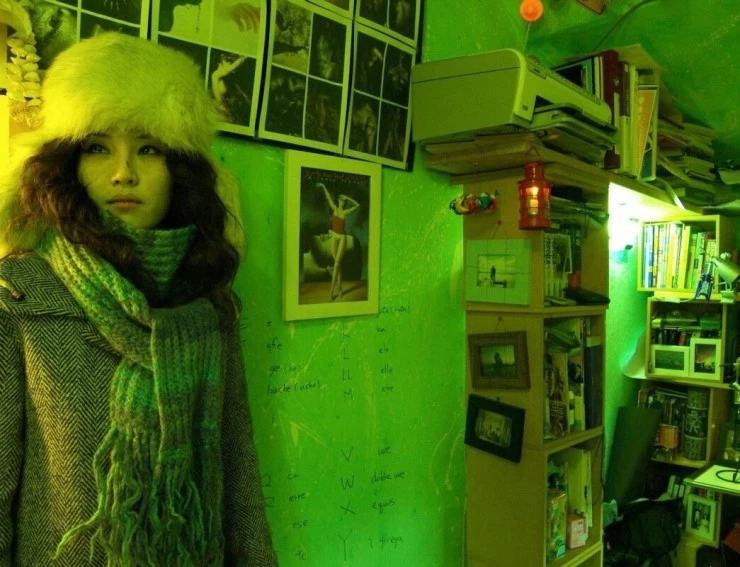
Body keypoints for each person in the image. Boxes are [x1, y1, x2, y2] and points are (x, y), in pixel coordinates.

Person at [0, 33, 277, 565]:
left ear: (181, 170)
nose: (123, 172)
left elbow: (237, 475)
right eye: (97, 147)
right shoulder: (22, 294)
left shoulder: (210, 303)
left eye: (148, 148)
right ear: (68, 165)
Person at [318, 182, 359, 301]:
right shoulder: (334, 209)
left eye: (343, 201)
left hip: (342, 238)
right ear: (338, 201)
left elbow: (357, 205)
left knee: (336, 265)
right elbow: (328, 198)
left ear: (344, 203)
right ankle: (340, 288)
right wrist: (323, 186)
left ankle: (331, 292)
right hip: (334, 238)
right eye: (341, 200)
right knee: (338, 265)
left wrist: (348, 197)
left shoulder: (346, 212)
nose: (342, 202)